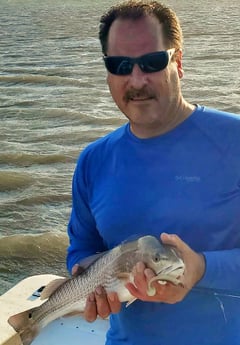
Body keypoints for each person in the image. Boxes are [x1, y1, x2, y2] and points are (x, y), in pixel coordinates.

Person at [66, 1, 240, 344]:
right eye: (120, 65)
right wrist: (91, 282)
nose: (136, 80)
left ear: (178, 63)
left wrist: (201, 268)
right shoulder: (93, 160)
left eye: (152, 62)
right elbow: (82, 247)